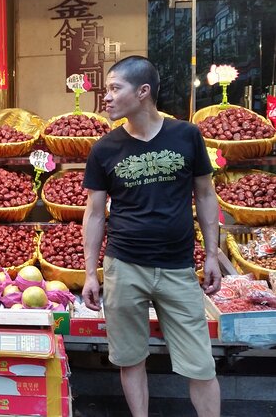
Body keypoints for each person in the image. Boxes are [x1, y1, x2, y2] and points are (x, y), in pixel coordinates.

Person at [81, 56, 222, 417]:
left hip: (178, 268)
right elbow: (95, 214)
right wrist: (91, 273)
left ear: (143, 92)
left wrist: (211, 254)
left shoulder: (187, 135)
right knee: (130, 359)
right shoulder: (104, 149)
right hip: (123, 266)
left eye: (115, 89)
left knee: (201, 364)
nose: (107, 98)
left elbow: (205, 195)